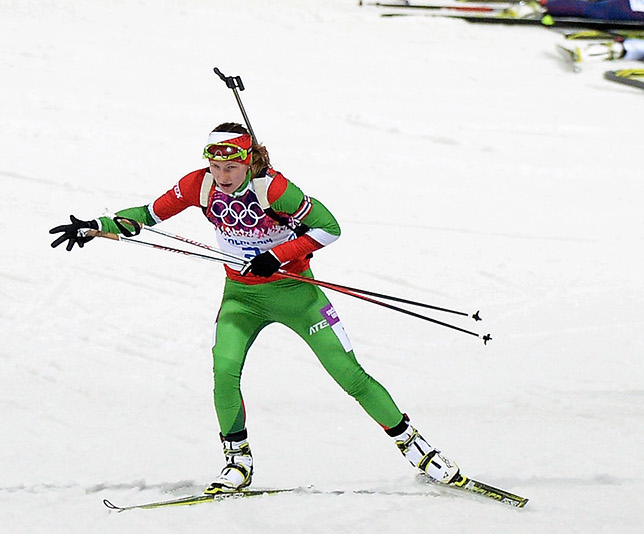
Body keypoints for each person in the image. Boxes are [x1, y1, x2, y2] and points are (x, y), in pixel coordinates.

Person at [46, 124, 460, 491]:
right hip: (241, 298)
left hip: (297, 295)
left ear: (248, 162)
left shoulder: (275, 189)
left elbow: (330, 228)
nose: (222, 177)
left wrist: (278, 254)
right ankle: (238, 462)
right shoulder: (198, 186)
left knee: (348, 375)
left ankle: (419, 450)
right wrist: (97, 226)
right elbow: (146, 216)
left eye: (232, 167)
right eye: (215, 167)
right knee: (224, 372)